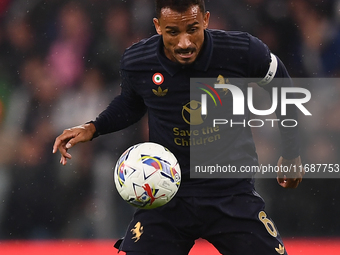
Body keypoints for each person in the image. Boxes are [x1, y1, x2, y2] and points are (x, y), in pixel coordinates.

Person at [53, 0, 305, 254]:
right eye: (173, 32)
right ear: (158, 26)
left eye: (192, 29)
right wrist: (94, 127)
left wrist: (292, 151)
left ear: (206, 20)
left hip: (231, 192)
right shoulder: (138, 61)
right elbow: (131, 104)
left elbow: (281, 85)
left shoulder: (241, 50)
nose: (184, 43)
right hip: (166, 194)